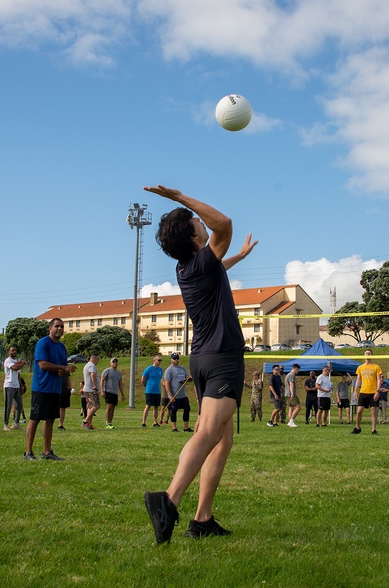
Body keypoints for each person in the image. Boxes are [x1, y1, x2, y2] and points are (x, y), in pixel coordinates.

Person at [142, 185, 257, 544]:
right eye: (196, 222)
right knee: (207, 433)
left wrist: (237, 256)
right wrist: (179, 198)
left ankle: (202, 519)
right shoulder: (200, 260)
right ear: (193, 237)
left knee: (222, 441)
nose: (202, 222)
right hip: (222, 357)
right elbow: (224, 223)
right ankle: (168, 501)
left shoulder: (189, 267)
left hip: (205, 358)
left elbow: (219, 261)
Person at [25, 318, 76, 460]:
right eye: (57, 326)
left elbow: (63, 367)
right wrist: (62, 368)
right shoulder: (43, 343)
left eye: (62, 326)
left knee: (50, 420)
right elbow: (43, 364)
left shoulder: (62, 347)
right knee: (35, 419)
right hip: (42, 387)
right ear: (50, 328)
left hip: (55, 389)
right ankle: (28, 452)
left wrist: (65, 371)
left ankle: (47, 452)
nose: (59, 329)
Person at [352, 350, 382, 435]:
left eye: (369, 353)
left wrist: (377, 391)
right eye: (366, 353)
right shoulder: (360, 367)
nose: (368, 354)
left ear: (372, 355)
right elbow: (358, 380)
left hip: (373, 392)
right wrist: (355, 391)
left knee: (373, 411)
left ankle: (373, 430)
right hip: (363, 392)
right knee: (359, 411)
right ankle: (357, 428)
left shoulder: (376, 367)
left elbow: (379, 380)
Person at [164, 353, 192, 433]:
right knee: (174, 411)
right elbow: (167, 383)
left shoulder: (183, 369)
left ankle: (186, 427)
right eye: (174, 358)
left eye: (177, 358)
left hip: (183, 394)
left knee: (187, 409)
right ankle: (174, 427)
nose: (176, 360)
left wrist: (188, 378)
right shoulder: (169, 370)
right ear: (171, 359)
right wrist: (170, 395)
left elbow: (187, 377)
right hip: (174, 395)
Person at [3, 346, 26, 431]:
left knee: (19, 405)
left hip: (16, 386)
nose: (14, 352)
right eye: (12, 350)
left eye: (15, 350)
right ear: (9, 352)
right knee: (8, 405)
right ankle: (5, 424)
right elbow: (14, 368)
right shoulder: (8, 360)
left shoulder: (16, 361)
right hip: (9, 385)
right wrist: (22, 364)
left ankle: (16, 423)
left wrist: (20, 385)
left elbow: (18, 374)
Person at [141, 354, 164, 428]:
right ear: (154, 360)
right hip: (150, 390)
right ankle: (144, 422)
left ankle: (155, 422)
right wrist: (145, 386)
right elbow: (143, 379)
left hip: (157, 391)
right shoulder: (149, 368)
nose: (160, 361)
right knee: (148, 406)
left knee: (156, 407)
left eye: (161, 360)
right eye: (158, 360)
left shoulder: (160, 370)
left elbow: (160, 379)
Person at [102, 357, 123, 429]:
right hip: (108, 391)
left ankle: (110, 422)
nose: (115, 363)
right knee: (109, 406)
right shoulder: (107, 371)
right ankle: (107, 422)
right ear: (110, 363)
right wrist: (102, 391)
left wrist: (122, 393)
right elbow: (102, 380)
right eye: (113, 362)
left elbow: (120, 383)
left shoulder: (118, 373)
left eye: (116, 362)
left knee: (113, 407)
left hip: (115, 392)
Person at [81, 354, 101, 431]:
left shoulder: (86, 365)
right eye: (97, 360)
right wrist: (95, 385)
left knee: (90, 406)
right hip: (91, 389)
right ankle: (85, 421)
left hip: (87, 389)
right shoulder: (92, 366)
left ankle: (89, 423)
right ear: (95, 359)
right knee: (96, 405)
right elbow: (92, 374)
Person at [284, 363, 300, 428]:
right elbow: (291, 384)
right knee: (298, 407)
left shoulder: (288, 375)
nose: (298, 371)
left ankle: (290, 423)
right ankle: (291, 421)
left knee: (291, 408)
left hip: (287, 394)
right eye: (298, 370)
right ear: (295, 369)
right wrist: (293, 394)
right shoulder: (292, 375)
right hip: (291, 394)